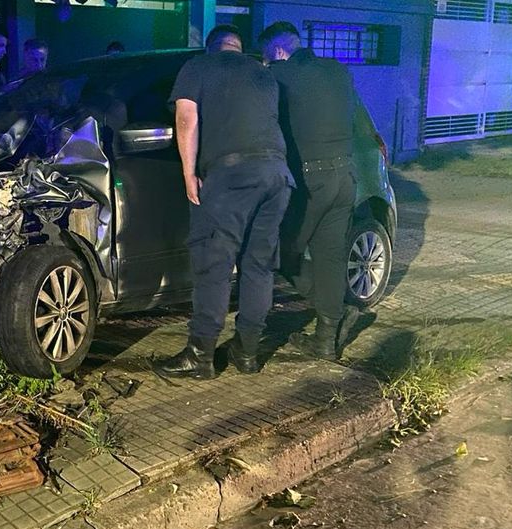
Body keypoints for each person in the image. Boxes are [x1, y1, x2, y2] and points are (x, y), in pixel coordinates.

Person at [154, 24, 294, 379]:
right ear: (239, 47)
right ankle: (247, 354)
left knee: (213, 265)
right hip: (277, 176)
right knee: (259, 266)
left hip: (231, 178)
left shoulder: (199, 66)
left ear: (211, 46)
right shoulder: (263, 75)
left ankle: (200, 357)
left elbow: (186, 118)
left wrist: (188, 173)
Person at [258, 21, 364, 361]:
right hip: (345, 178)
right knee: (330, 257)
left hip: (310, 182)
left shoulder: (281, 75)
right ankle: (325, 339)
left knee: (282, 252)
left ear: (277, 52)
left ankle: (333, 310)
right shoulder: (338, 71)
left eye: (267, 57)